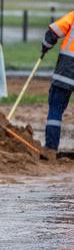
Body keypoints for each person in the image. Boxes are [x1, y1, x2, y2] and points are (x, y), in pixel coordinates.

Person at [40, 10, 74, 161]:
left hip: (67, 69)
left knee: (56, 107)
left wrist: (45, 47)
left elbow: (53, 33)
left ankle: (51, 150)